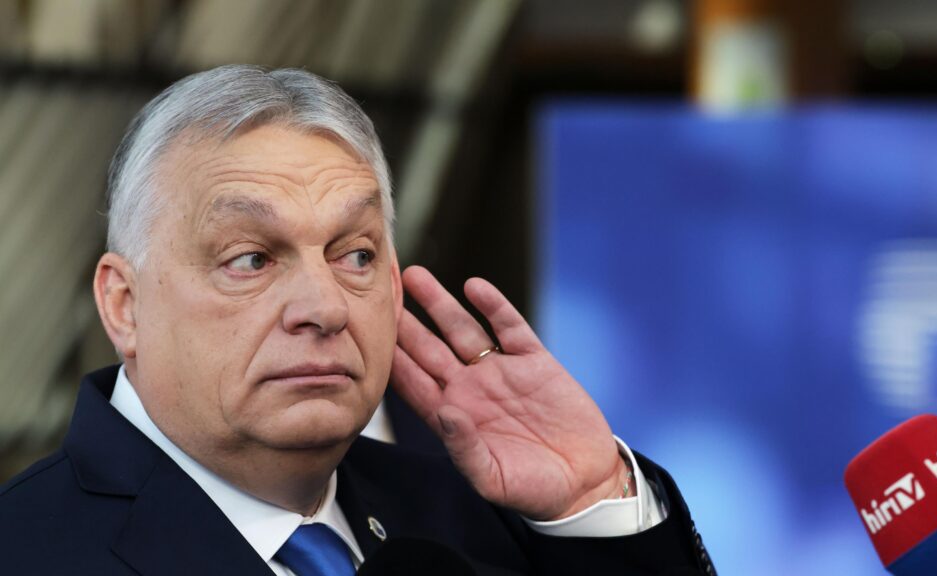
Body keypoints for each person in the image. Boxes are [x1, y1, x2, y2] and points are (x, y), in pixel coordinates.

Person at [0, 65, 715, 575]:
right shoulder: (26, 549)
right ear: (124, 305)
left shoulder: (478, 515)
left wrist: (591, 503)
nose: (324, 307)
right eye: (251, 259)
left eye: (356, 254)